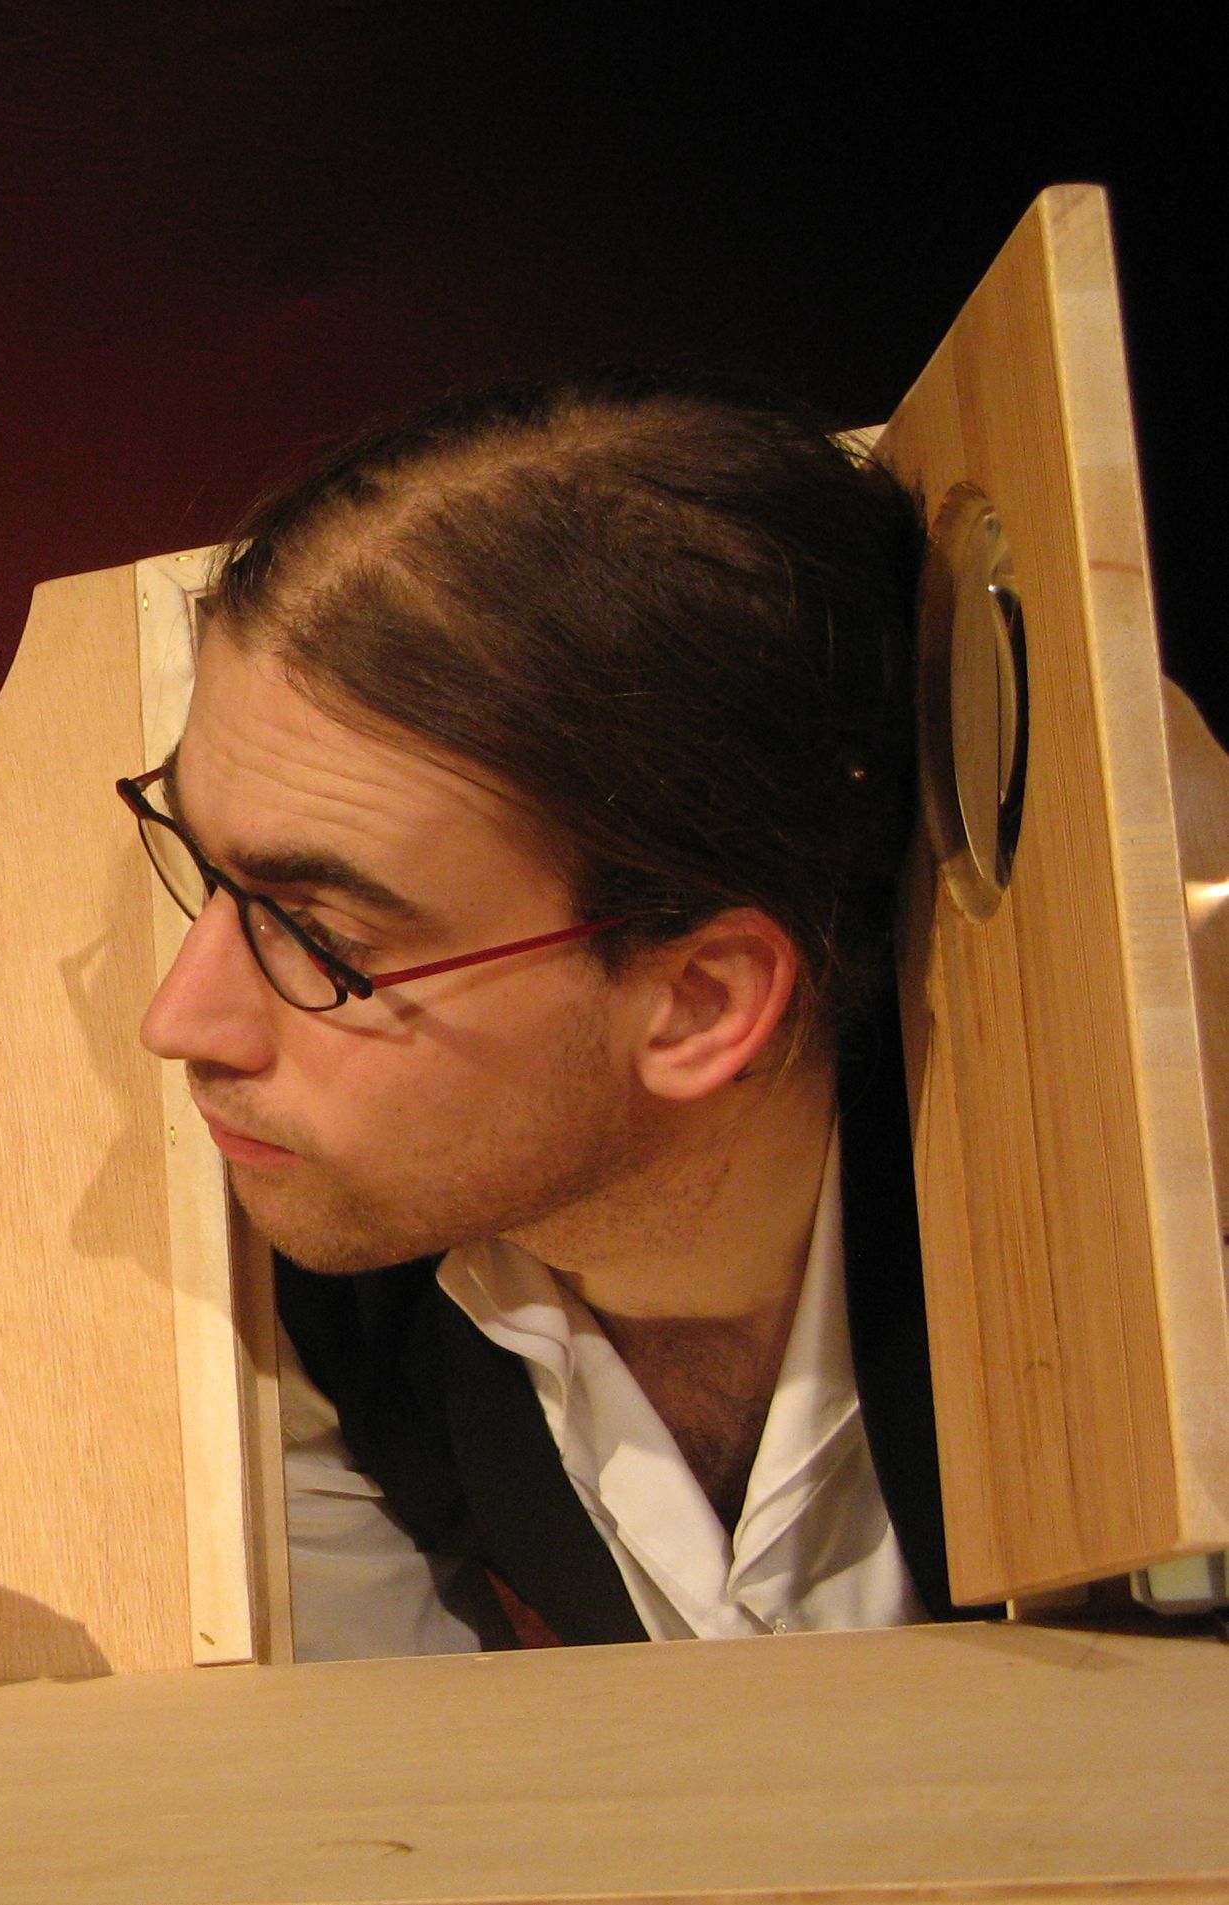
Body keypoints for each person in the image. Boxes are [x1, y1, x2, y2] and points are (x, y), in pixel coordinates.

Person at [125, 368, 969, 1654]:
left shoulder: (1088, 1276)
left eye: (325, 939)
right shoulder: (314, 1294)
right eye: (205, 868)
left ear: (696, 1004)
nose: (180, 1021)